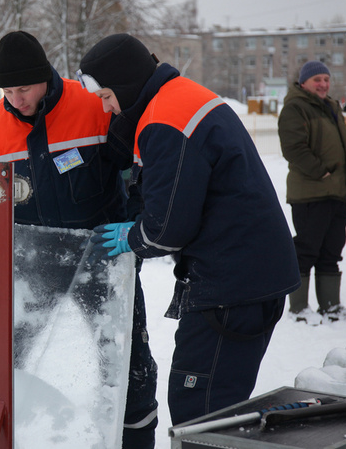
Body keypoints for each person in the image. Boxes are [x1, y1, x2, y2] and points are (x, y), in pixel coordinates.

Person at [0, 31, 159, 448]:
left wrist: (132, 231)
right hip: (30, 271)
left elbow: (137, 174)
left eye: (23, 88)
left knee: (129, 368)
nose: (15, 99)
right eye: (7, 90)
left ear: (44, 77)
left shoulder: (94, 106)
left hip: (101, 263)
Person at [79, 33, 300, 426]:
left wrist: (134, 237)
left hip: (231, 286)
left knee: (200, 413)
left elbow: (168, 229)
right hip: (252, 275)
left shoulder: (164, 120)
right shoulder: (179, 96)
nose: (109, 109)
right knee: (220, 407)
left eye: (107, 97)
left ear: (126, 85)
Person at [277, 61, 346, 324]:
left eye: (326, 79)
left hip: (336, 192)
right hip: (311, 193)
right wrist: (321, 171)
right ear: (304, 82)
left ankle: (330, 306)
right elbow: (293, 147)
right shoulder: (296, 107)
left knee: (332, 250)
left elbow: (341, 150)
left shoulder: (331, 106)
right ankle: (299, 308)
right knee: (307, 249)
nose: (323, 84)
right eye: (317, 79)